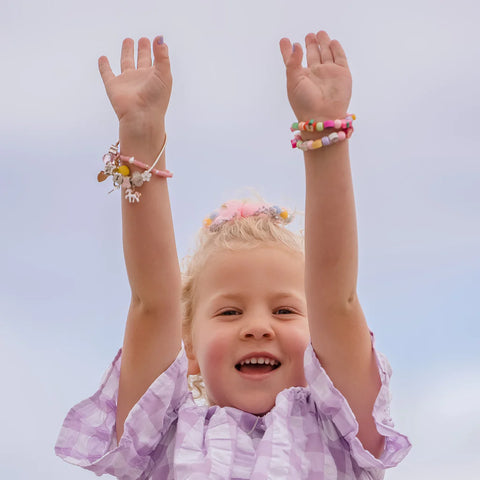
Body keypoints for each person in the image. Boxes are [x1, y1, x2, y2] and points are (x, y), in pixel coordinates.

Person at [55, 30, 411, 479]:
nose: (257, 328)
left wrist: (326, 133)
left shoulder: (343, 431)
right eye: (228, 312)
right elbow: (153, 303)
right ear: (189, 348)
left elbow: (336, 299)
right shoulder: (161, 440)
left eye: (285, 310)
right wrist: (141, 137)